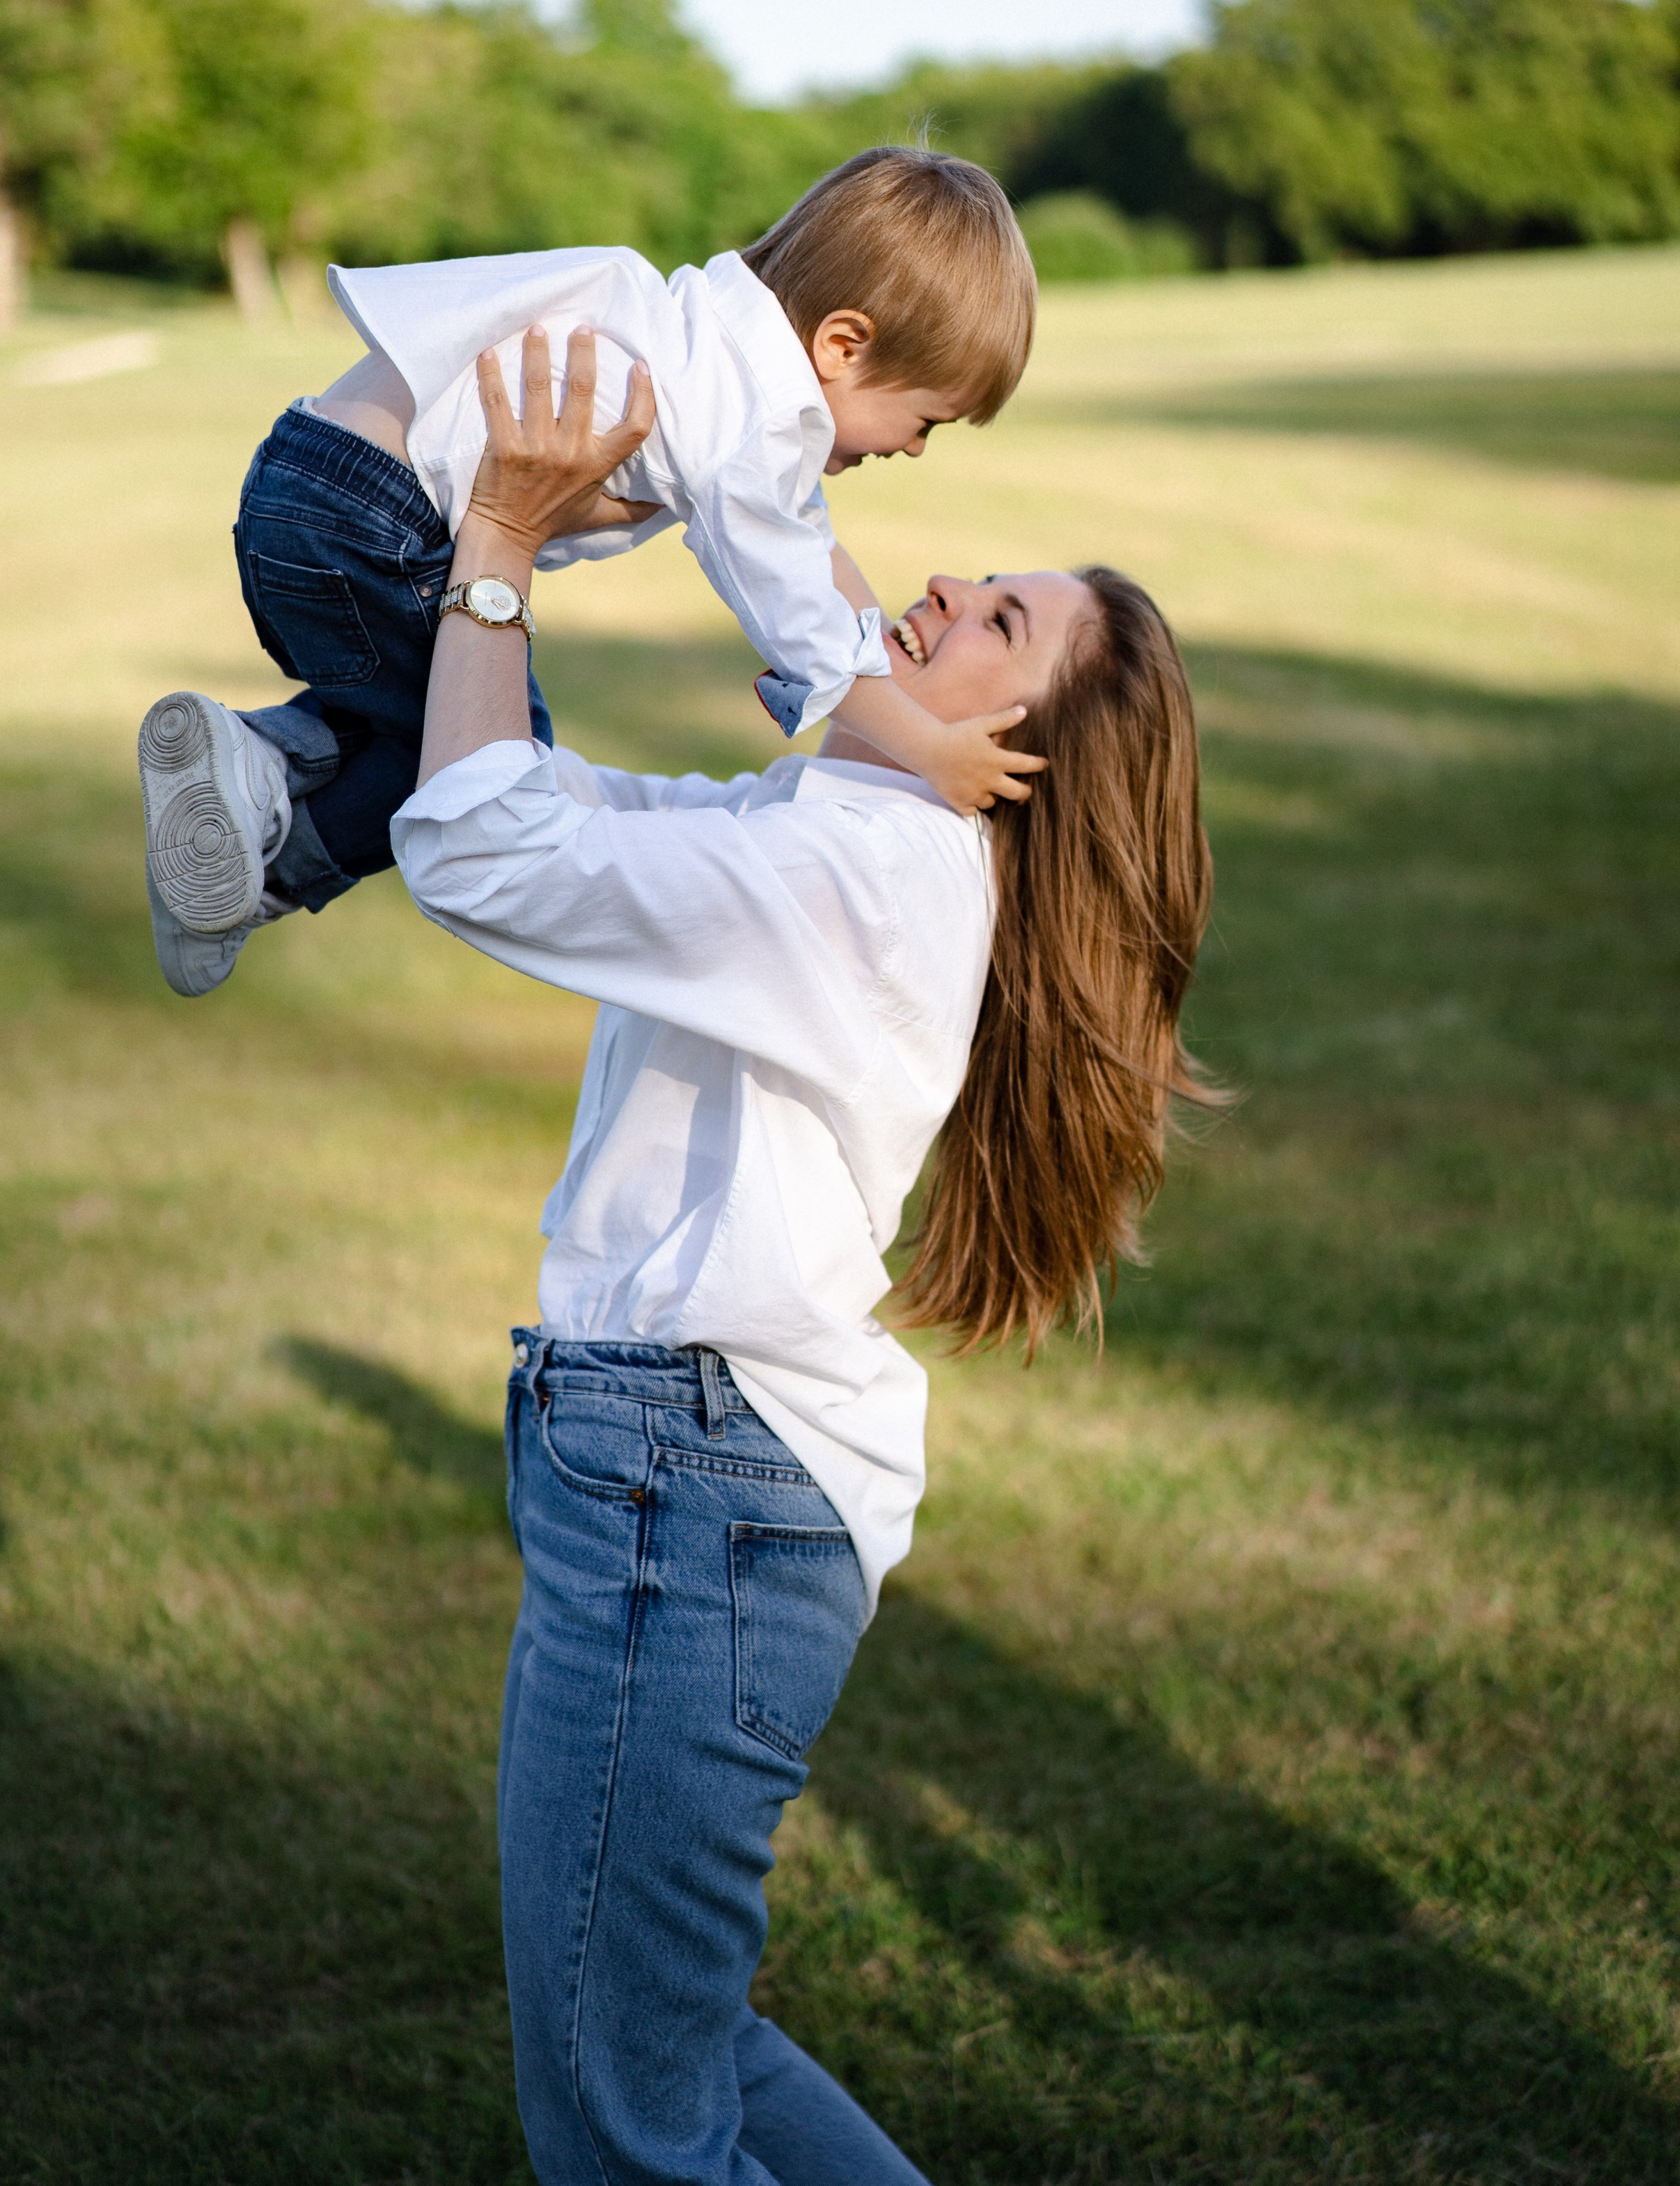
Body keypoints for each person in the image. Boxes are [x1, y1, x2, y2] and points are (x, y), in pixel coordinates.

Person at [391, 327, 1217, 2185]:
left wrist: (507, 546)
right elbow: (581, 811)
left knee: (622, 2130)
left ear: (1018, 745)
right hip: (687, 1476)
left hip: (694, 1488)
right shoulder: (864, 826)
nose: (941, 584)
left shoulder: (876, 864)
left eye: (995, 619)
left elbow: (482, 854)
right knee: (673, 2054)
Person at [136, 148, 1044, 996]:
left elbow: (817, 555)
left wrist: (890, 665)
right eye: (927, 420)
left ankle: (259, 764)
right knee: (482, 750)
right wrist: (931, 749)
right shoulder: (746, 424)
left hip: (309, 469)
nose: (919, 450)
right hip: (371, 516)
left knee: (412, 714)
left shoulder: (702, 336)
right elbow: (803, 626)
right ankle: (263, 864)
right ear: (843, 346)